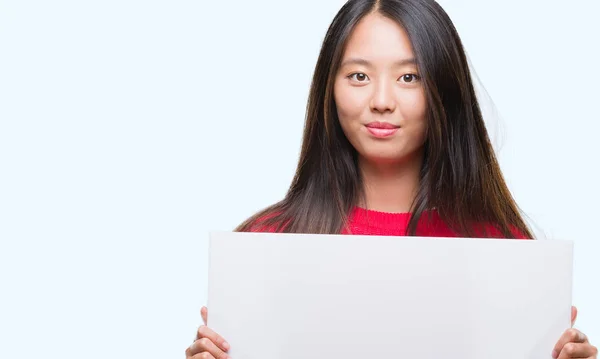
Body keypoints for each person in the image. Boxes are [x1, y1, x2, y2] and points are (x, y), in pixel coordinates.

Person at [186, 0, 597, 358]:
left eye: (409, 77)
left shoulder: (504, 250)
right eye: (359, 76)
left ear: (444, 90)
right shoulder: (264, 245)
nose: (381, 101)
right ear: (328, 90)